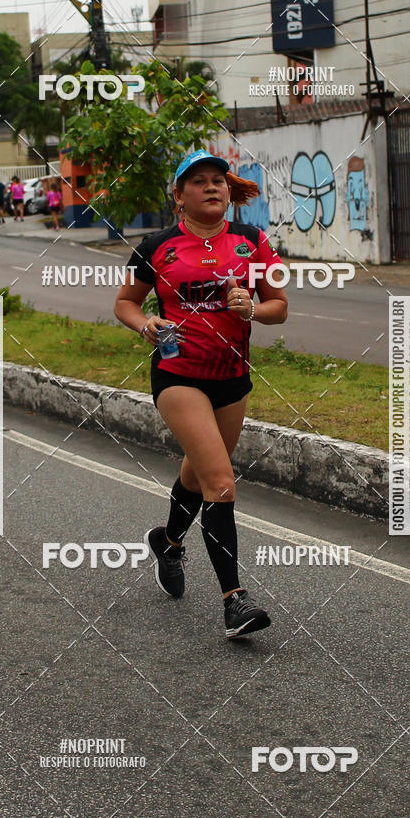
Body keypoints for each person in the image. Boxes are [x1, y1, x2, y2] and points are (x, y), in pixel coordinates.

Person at [114, 149, 288, 638]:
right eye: (199, 181)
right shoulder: (157, 246)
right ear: (179, 195)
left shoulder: (254, 241)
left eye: (218, 180)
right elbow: (125, 303)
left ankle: (168, 543)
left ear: (228, 191)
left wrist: (250, 309)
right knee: (222, 482)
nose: (212, 186)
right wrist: (146, 323)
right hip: (178, 374)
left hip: (232, 377)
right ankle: (235, 601)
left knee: (198, 475)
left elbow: (279, 307)